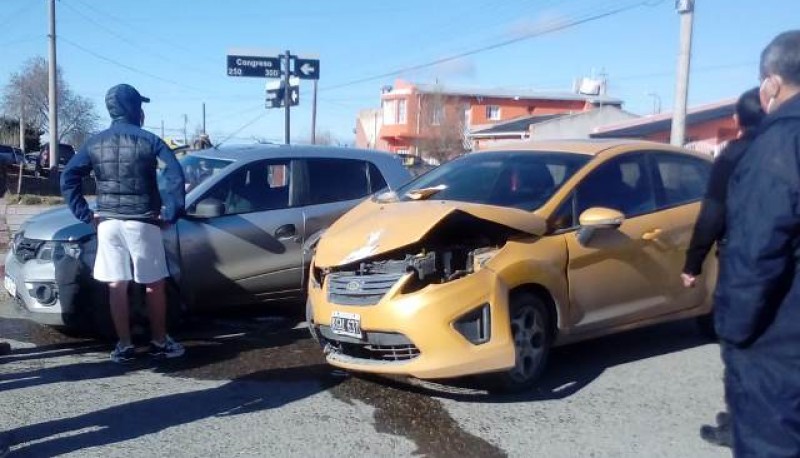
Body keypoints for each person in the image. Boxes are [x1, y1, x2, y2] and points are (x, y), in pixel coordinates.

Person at [715, 30, 800, 456]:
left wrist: (732, 331)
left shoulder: (777, 148)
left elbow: (757, 251)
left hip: (781, 344)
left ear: (771, 83)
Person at [61, 83, 186, 364]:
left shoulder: (94, 142)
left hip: (107, 222)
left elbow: (68, 177)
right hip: (142, 221)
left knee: (116, 284)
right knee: (154, 284)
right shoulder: (150, 140)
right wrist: (171, 213)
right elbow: (175, 174)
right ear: (135, 110)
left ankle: (125, 345)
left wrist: (85, 214)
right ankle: (158, 341)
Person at [680, 88, 765, 448]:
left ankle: (738, 424)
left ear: (736, 120)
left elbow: (713, 213)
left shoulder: (734, 156)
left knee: (739, 342)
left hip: (744, 263)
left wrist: (692, 262)